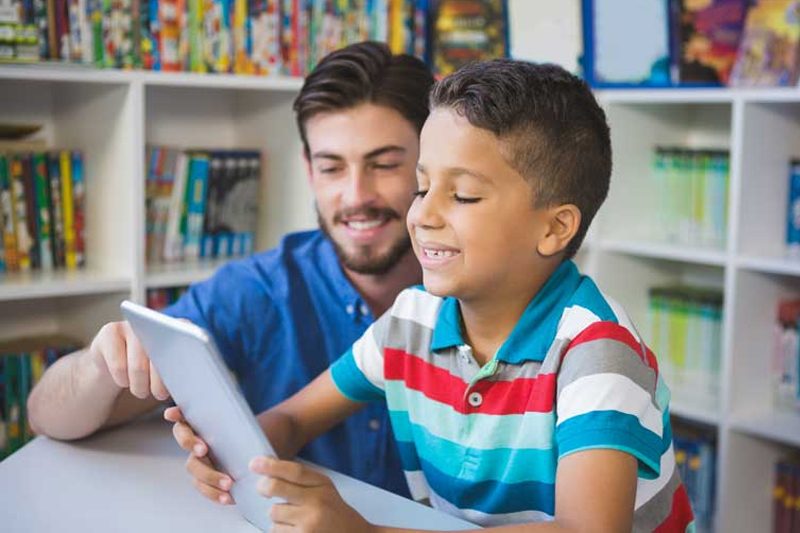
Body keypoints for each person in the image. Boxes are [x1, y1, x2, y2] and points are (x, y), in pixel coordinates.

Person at [171, 59, 695, 532]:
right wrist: (234, 451)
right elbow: (292, 418)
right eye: (422, 187)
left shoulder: (597, 355)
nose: (422, 214)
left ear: (555, 228)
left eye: (463, 194)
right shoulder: (413, 322)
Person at [26, 41, 434, 497]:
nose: (356, 195)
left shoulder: (489, 291)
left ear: (430, 164)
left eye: (384, 164)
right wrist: (101, 365)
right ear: (308, 169)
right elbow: (45, 415)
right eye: (332, 168)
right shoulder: (260, 290)